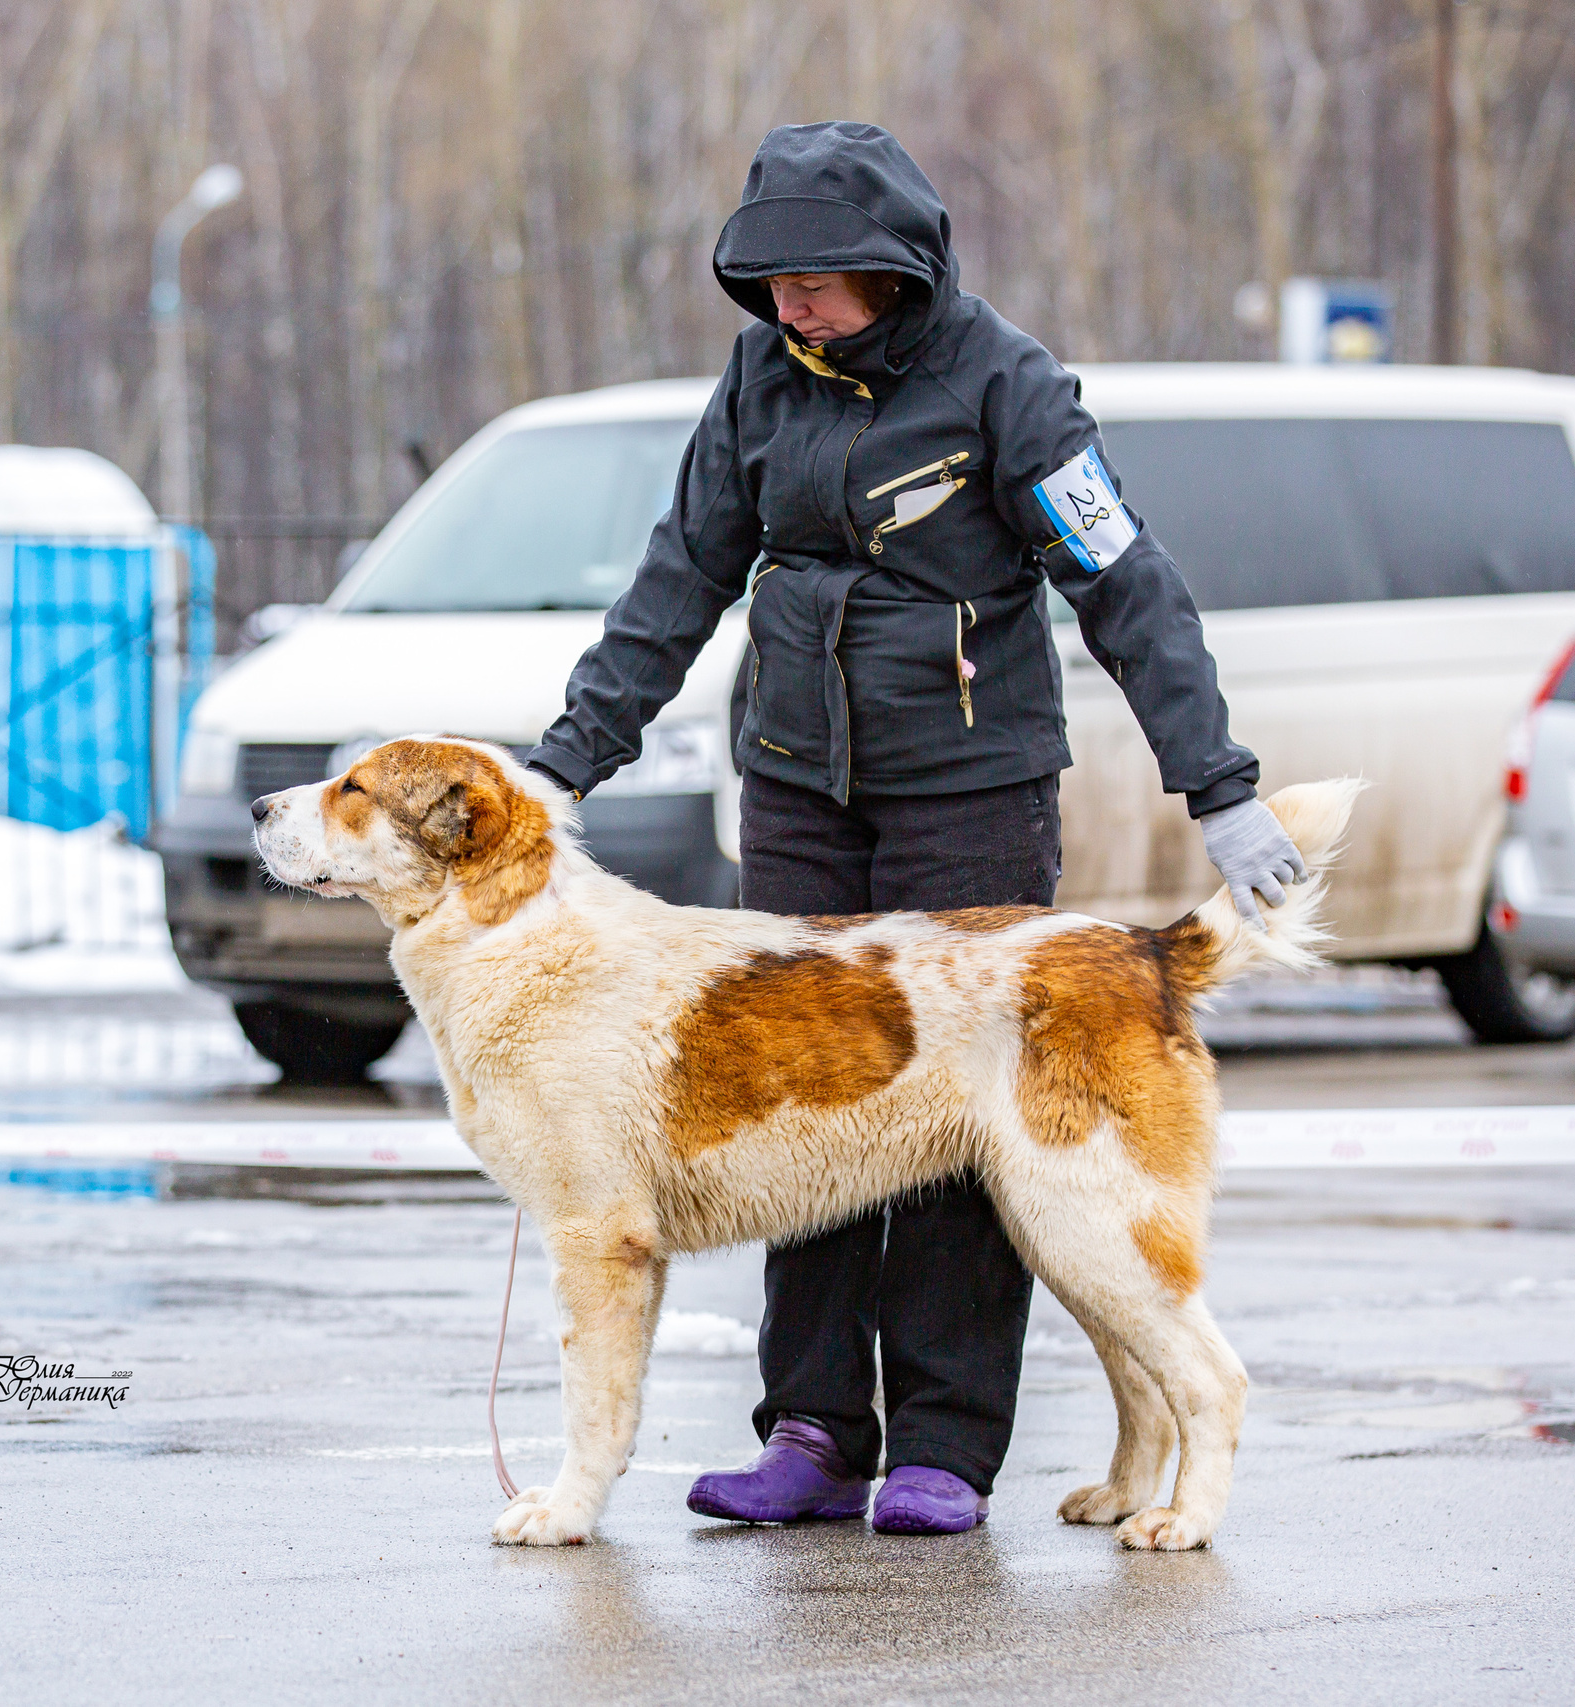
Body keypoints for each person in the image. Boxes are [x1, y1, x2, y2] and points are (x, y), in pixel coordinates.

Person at [524, 122, 1306, 1538]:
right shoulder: (762, 375)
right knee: (795, 1120)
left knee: (963, 1124)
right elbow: (679, 575)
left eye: (816, 284)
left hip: (970, 792)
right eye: (768, 285)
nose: (789, 309)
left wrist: (1223, 782)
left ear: (894, 270)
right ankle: (814, 1430)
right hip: (798, 789)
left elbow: (1126, 585)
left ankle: (946, 1440)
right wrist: (566, 762)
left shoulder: (1010, 384)